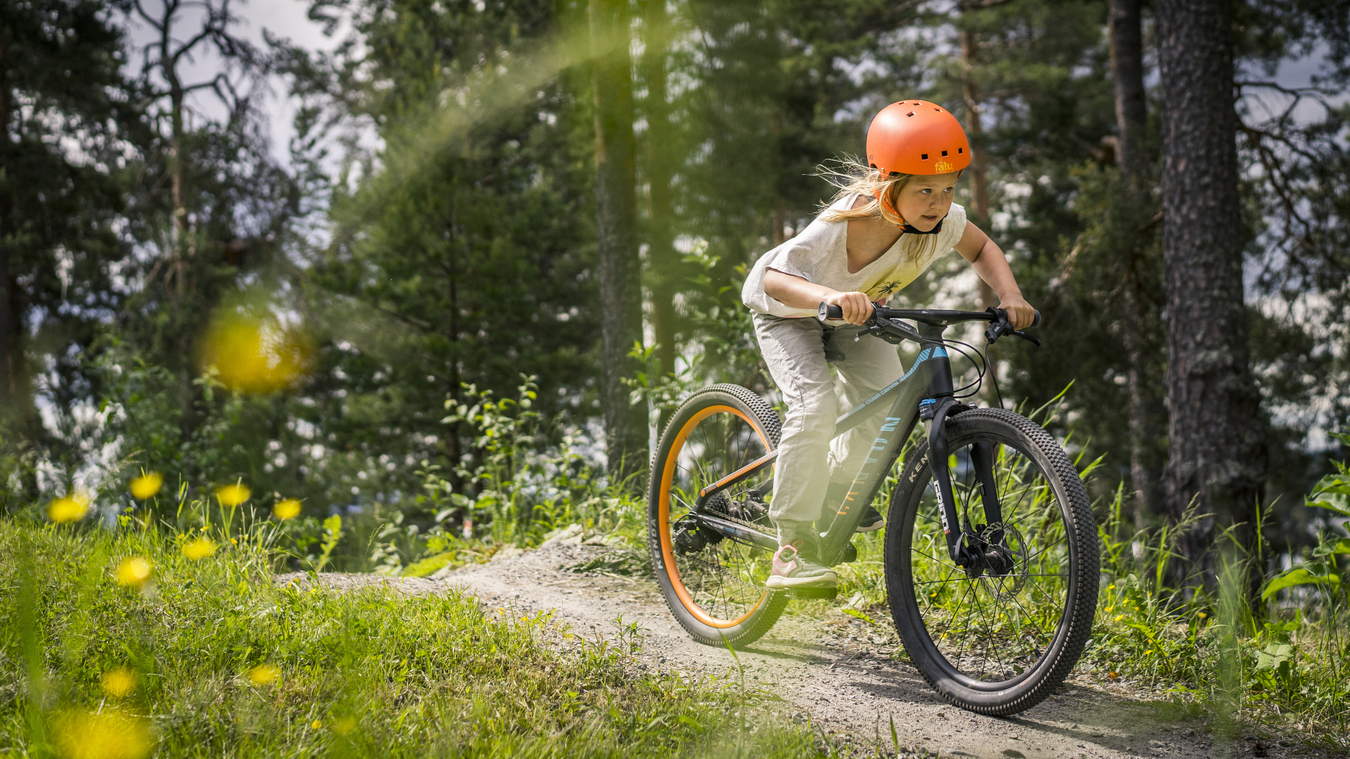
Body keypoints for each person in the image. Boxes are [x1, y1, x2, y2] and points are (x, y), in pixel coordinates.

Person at [740, 100, 1036, 589]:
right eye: (925, 190)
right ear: (884, 185)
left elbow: (982, 248)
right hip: (789, 314)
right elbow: (774, 280)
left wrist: (1010, 296)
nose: (938, 202)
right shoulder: (844, 223)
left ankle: (834, 489)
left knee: (886, 403)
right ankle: (791, 546)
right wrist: (832, 296)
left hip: (860, 315)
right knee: (815, 406)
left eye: (948, 188)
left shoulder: (944, 222)